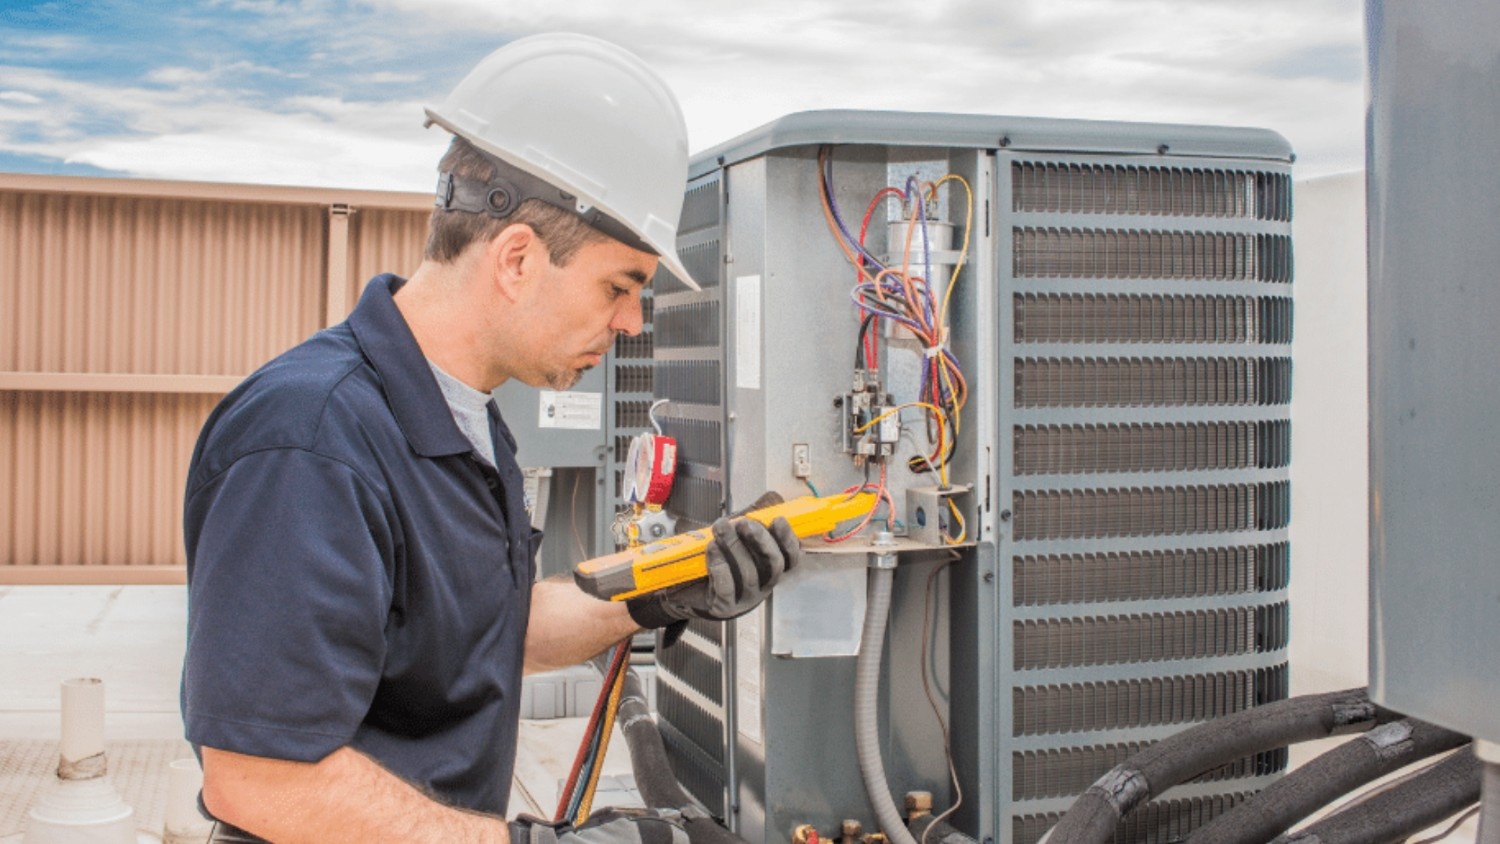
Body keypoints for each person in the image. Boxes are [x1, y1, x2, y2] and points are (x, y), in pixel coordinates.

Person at [180, 33, 801, 844]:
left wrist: (664, 590)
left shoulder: (463, 419)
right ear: (516, 259)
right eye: (620, 287)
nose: (630, 323)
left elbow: (479, 640)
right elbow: (260, 778)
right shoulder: (311, 440)